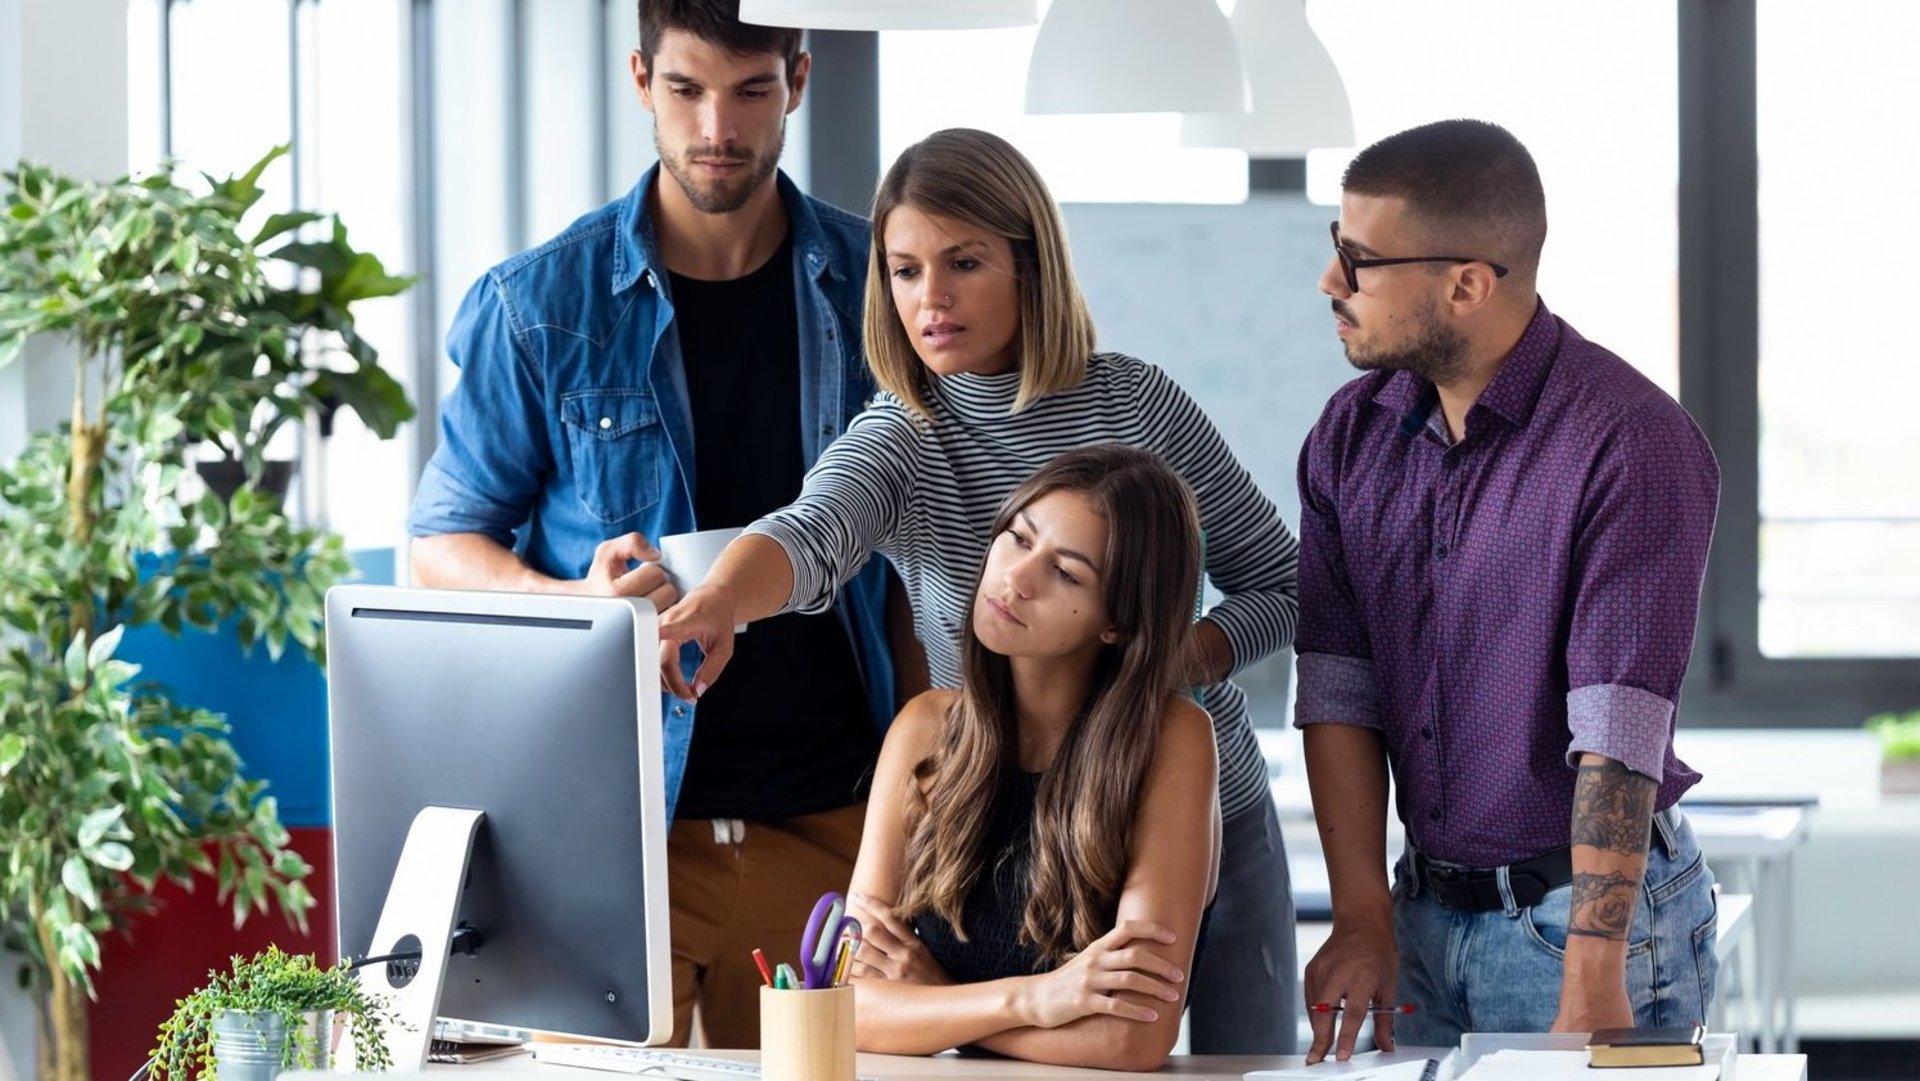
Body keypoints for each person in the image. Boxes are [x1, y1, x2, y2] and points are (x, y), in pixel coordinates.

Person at [658, 127, 1304, 1054]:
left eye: (964, 263)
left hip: (1186, 806)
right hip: (1001, 819)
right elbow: (809, 530)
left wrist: (1156, 670)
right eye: (906, 270)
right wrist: (719, 601)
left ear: (1030, 265)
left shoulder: (1137, 404)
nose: (932, 299)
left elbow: (1282, 585)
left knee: (1243, 1063)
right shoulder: (905, 433)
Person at [404, 0, 901, 1048]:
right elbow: (438, 543)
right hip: (619, 841)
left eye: (751, 91)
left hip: (838, 834)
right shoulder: (540, 302)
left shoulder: (881, 288)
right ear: (640, 79)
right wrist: (573, 602)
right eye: (686, 90)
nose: (717, 126)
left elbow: (931, 544)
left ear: (798, 82)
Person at [1294, 119, 1721, 1062]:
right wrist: (1363, 916)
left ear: (1467, 283)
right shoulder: (1348, 435)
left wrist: (1590, 968)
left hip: (1583, 929)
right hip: (1419, 914)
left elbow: (1618, 725)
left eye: (1359, 261)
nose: (1332, 282)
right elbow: (1338, 687)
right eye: (1337, 249)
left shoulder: (1628, 441)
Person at [843, 444, 1219, 1070]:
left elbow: (1133, 1040)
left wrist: (937, 1003)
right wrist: (1037, 999)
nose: (1017, 579)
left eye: (1066, 574)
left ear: (1119, 623)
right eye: (1018, 539)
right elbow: (849, 1004)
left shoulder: (1172, 739)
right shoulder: (924, 728)